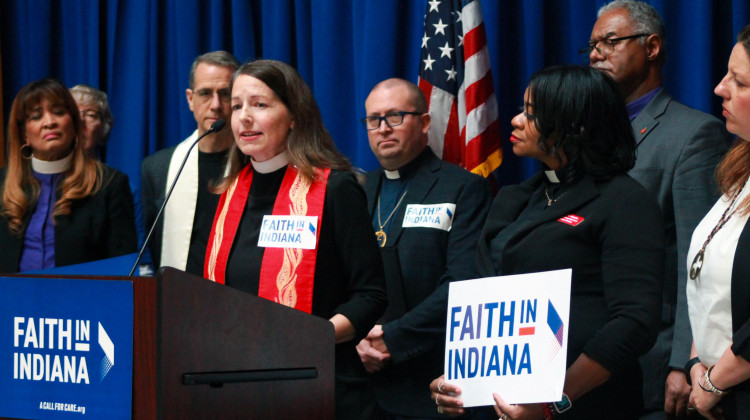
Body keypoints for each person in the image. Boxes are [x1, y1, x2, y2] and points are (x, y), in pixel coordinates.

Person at [429, 65, 664, 419]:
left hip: (589, 405)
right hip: (500, 406)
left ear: (576, 125)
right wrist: (462, 380)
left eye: (532, 113)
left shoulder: (623, 201)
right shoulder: (512, 199)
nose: (516, 120)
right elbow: (481, 302)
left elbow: (634, 321)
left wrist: (553, 402)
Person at [202, 59, 387, 419]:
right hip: (239, 390)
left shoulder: (334, 188)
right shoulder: (228, 195)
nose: (243, 117)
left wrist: (305, 338)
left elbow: (371, 295)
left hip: (321, 387)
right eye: (237, 105)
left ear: (294, 117)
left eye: (259, 104)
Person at [586, 2, 733, 418]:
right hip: (593, 356)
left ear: (651, 46)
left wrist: (680, 362)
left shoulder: (693, 135)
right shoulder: (590, 134)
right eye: (593, 45)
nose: (596, 53)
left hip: (655, 356)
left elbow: (696, 258)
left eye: (610, 42)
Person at [357, 78, 492, 419]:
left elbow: (462, 283)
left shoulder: (465, 188)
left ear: (425, 122)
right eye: (374, 119)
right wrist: (355, 341)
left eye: (395, 116)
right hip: (360, 381)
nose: (383, 128)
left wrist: (393, 338)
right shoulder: (355, 189)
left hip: (429, 378)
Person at [0, 78, 137, 273]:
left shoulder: (110, 185)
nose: (49, 122)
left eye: (58, 112)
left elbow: (124, 273)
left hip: (83, 301)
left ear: (74, 123)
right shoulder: (2, 186)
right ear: (24, 134)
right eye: (36, 116)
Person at [685, 24, 750, 420]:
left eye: (739, 81)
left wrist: (714, 382)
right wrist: (696, 364)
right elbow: (707, 279)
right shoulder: (739, 169)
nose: (719, 88)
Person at [141, 50, 239, 276]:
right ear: (190, 99)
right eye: (205, 93)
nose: (215, 104)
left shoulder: (257, 164)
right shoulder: (157, 168)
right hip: (180, 298)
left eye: (225, 94)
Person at [69, 84, 114, 161]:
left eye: (90, 115)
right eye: (73, 113)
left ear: (103, 130)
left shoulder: (113, 173)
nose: (80, 120)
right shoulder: (44, 172)